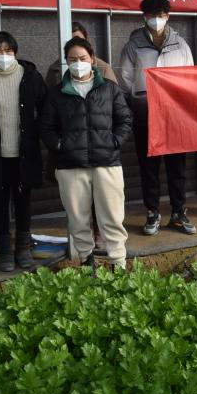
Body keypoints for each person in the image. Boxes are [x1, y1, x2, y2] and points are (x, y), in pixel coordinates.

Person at [40, 38, 132, 269]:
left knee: (112, 217)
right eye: (72, 59)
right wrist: (60, 145)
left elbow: (125, 120)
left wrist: (114, 141)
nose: (78, 63)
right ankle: (86, 261)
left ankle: (118, 263)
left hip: (107, 163)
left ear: (92, 59)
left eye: (82, 58)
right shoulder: (56, 94)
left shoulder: (109, 88)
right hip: (70, 165)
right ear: (66, 61)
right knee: (78, 218)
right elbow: (46, 127)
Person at [120, 0, 196, 236]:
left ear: (168, 16)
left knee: (177, 166)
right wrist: (140, 99)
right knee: (148, 167)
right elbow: (126, 79)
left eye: (161, 15)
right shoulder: (134, 45)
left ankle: (178, 212)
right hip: (145, 113)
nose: (156, 20)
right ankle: (152, 212)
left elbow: (190, 77)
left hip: (175, 115)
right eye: (152, 15)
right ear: (144, 17)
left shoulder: (180, 45)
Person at [0, 31, 47, 273]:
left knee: (24, 202)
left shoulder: (30, 75)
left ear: (15, 52)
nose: (3, 56)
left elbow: (45, 108)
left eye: (8, 51)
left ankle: (23, 248)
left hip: (24, 153)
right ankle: (4, 250)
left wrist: (39, 134)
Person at [44, 22, 117, 87]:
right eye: (72, 41)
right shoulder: (54, 69)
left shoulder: (104, 69)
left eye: (80, 40)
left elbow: (114, 93)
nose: (76, 45)